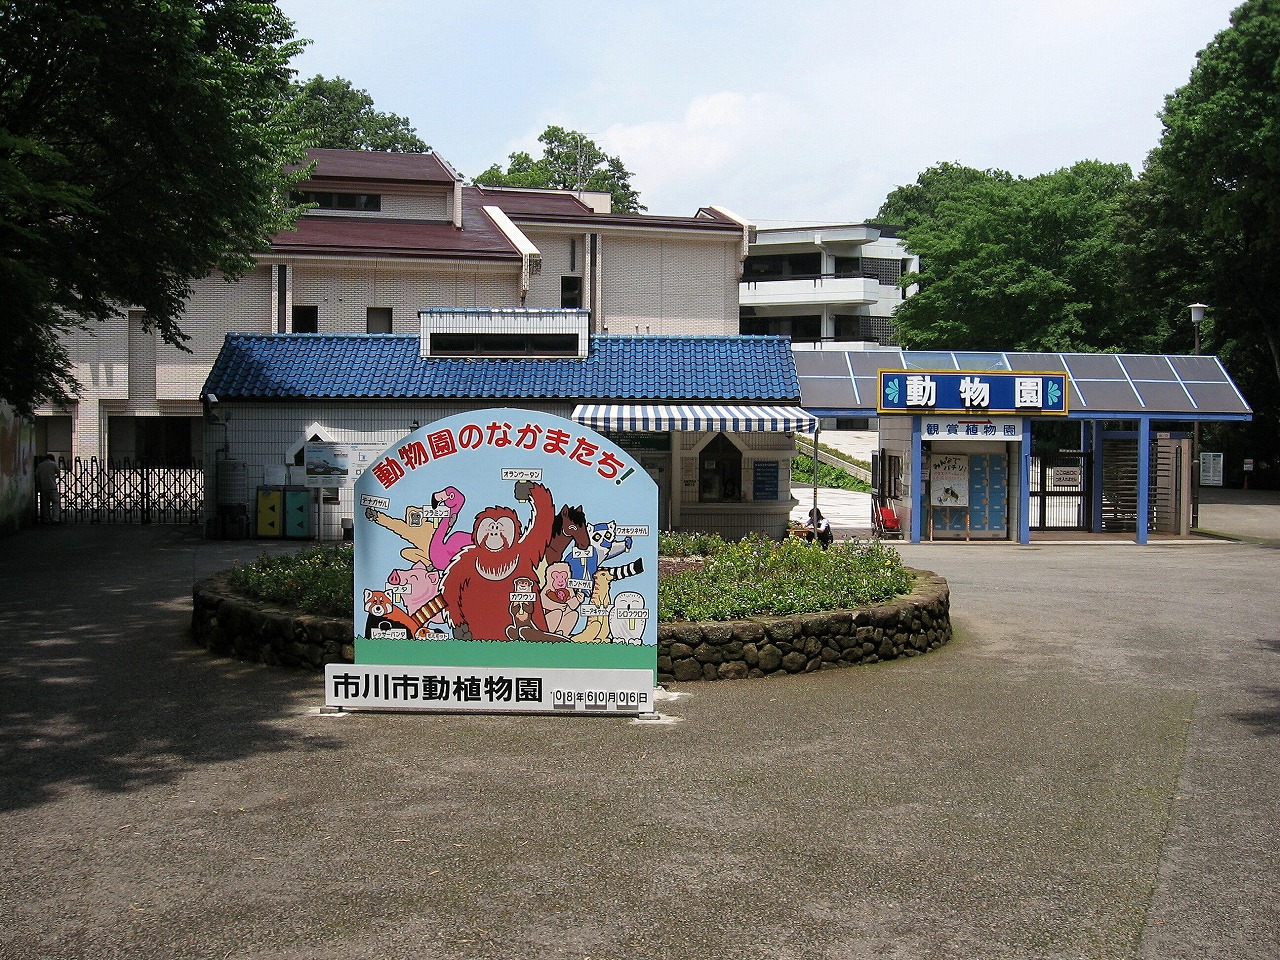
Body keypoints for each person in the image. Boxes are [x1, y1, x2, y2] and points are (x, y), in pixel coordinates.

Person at [36, 454, 61, 523]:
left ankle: (45, 519)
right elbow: (58, 473)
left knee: (45, 504)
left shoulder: (40, 465)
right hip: (52, 486)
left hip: (43, 487)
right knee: (55, 502)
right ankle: (55, 519)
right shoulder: (53, 464)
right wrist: (54, 477)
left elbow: (37, 475)